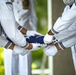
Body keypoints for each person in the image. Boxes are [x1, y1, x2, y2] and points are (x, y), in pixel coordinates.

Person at [0, 0, 42, 75]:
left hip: (20, 37)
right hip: (10, 37)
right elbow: (12, 32)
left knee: (25, 67)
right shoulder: (4, 2)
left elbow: (12, 22)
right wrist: (29, 46)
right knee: (10, 68)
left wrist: (28, 33)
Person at [43, 0, 76, 72]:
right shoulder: (68, 7)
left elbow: (71, 27)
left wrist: (51, 34)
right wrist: (57, 45)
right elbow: (66, 29)